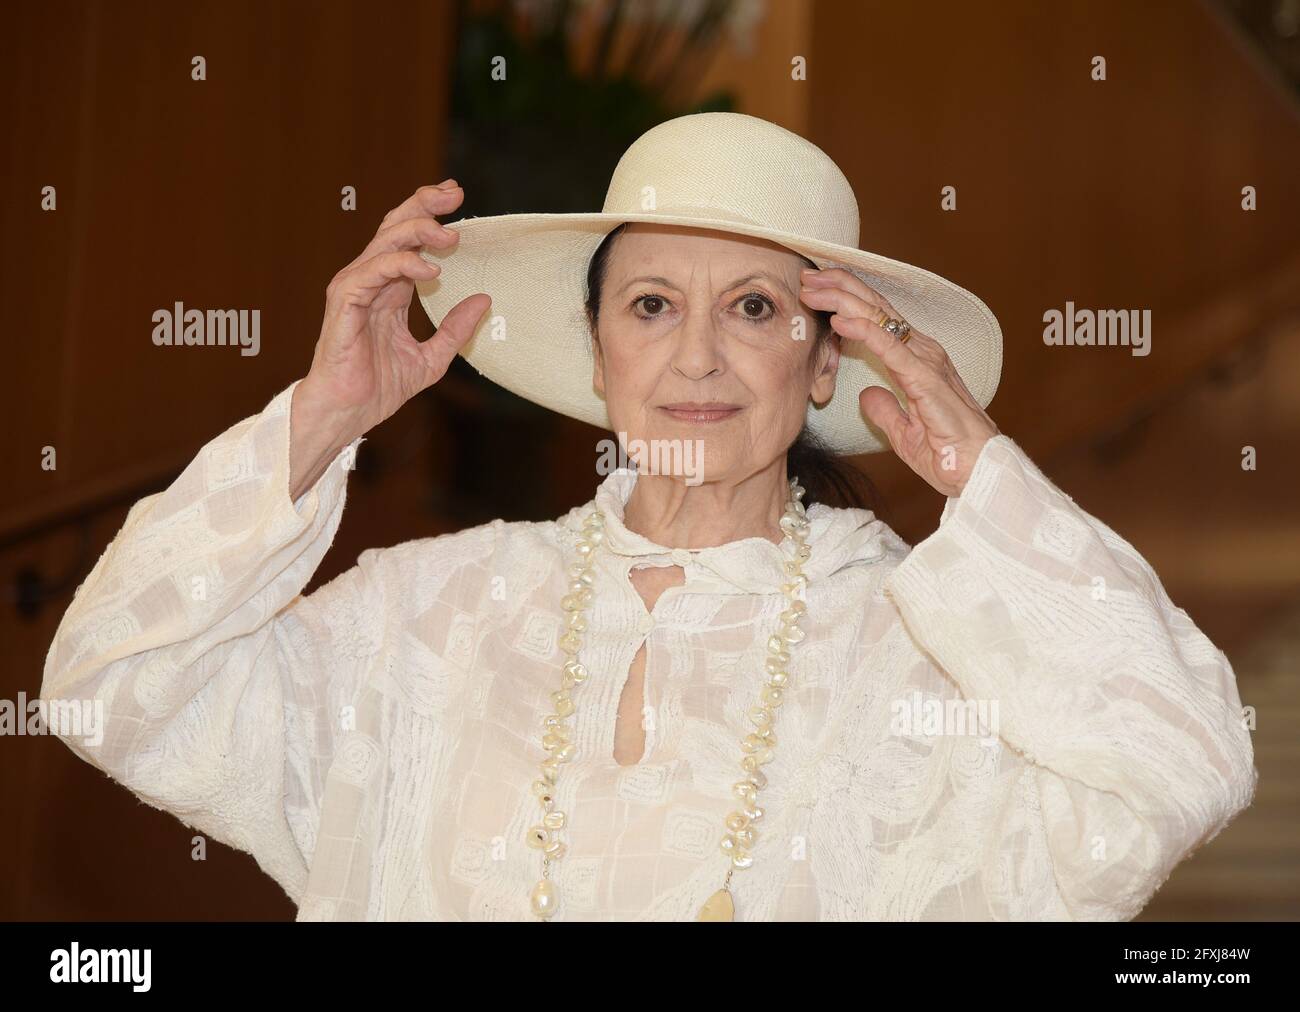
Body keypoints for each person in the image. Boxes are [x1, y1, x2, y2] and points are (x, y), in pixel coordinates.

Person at [40, 113, 1257, 921]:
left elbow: (1179, 767)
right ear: (596, 346)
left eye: (757, 310)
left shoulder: (918, 637)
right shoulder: (433, 610)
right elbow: (113, 692)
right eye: (653, 303)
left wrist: (987, 484)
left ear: (825, 363)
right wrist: (318, 419)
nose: (698, 359)